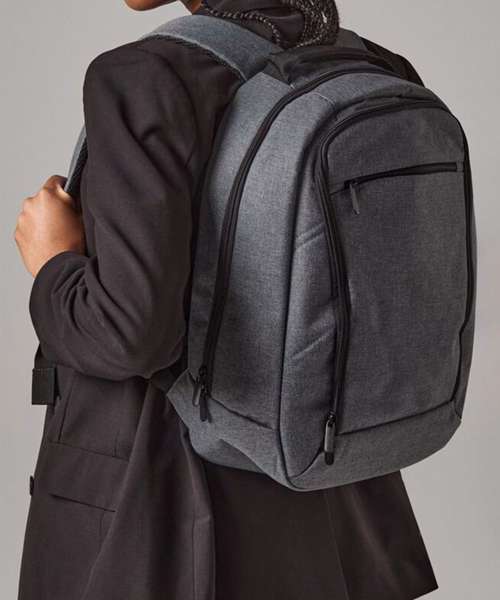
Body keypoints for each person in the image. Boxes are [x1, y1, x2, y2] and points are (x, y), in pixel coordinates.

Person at [15, 1, 439, 599]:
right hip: (337, 497)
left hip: (161, 510)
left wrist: (53, 261)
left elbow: (128, 335)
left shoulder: (147, 76)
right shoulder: (371, 66)